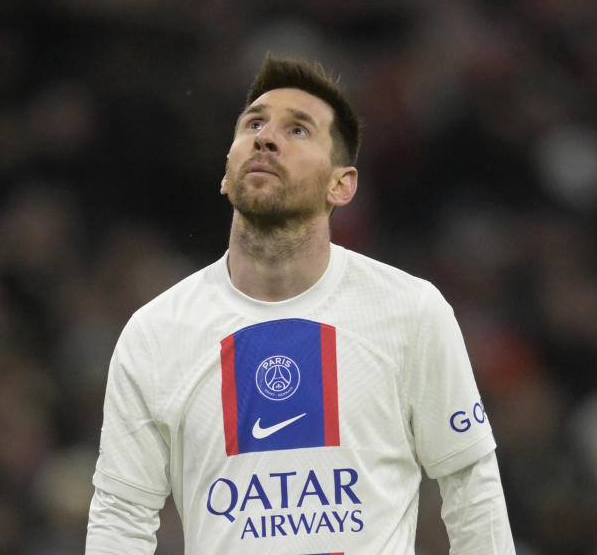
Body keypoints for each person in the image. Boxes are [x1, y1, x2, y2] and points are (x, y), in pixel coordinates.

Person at [85, 55, 516, 554]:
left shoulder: (411, 311)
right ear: (226, 174)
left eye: (298, 130)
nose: (266, 138)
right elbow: (121, 517)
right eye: (254, 124)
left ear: (342, 184)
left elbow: (470, 484)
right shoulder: (156, 332)